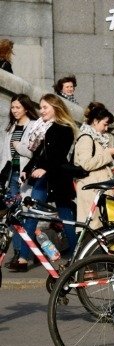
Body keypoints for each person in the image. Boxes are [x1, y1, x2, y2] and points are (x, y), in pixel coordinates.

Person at [14, 94, 78, 269]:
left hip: (58, 180)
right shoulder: (48, 129)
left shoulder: (65, 129)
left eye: (45, 107)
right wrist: (27, 171)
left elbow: (59, 156)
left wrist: (46, 169)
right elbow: (39, 155)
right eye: (41, 107)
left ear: (55, 108)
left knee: (67, 219)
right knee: (31, 215)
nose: (41, 111)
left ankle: (77, 257)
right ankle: (23, 258)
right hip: (43, 180)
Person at [1, 94, 38, 270]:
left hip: (26, 175)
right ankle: (18, 252)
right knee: (14, 215)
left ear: (25, 107)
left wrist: (19, 147)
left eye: (18, 107)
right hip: (11, 175)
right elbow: (3, 155)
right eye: (12, 107)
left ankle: (26, 253)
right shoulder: (10, 127)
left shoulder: (34, 126)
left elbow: (34, 153)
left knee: (26, 214)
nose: (14, 110)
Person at [73, 102, 114, 230]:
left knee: (101, 227)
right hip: (91, 189)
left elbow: (98, 160)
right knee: (92, 227)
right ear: (95, 121)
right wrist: (108, 153)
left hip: (99, 188)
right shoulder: (86, 138)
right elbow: (86, 164)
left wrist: (113, 155)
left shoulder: (98, 138)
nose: (106, 129)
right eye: (104, 124)